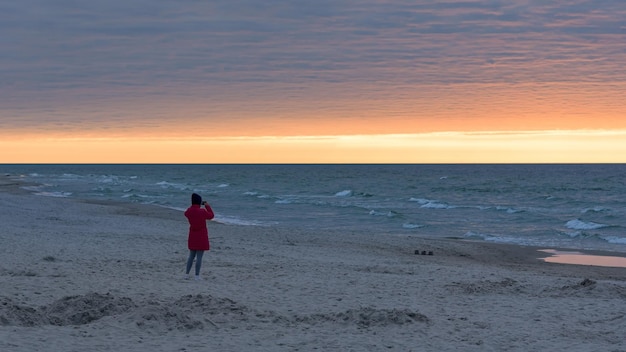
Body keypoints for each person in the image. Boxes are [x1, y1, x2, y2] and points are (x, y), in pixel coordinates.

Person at [184, 193, 215, 280]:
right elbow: (211, 216)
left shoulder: (189, 211)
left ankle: (186, 274)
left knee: (191, 256)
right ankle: (197, 275)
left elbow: (186, 213)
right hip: (201, 235)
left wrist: (192, 206)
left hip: (192, 235)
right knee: (199, 257)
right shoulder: (202, 212)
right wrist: (207, 206)